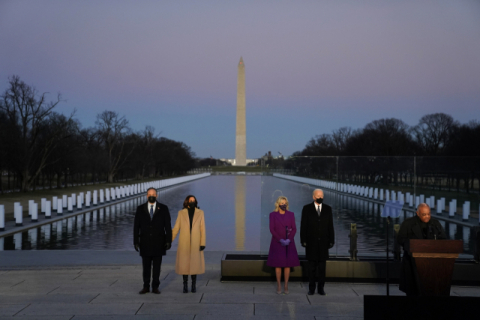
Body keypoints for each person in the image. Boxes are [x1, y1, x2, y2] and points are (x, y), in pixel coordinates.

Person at [397, 203, 447, 296]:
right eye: (424, 214)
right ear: (417, 213)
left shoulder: (435, 224)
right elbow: (400, 239)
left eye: (428, 214)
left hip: (432, 264)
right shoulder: (408, 223)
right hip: (412, 263)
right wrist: (411, 245)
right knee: (413, 291)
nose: (427, 216)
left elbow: (443, 239)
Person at [133, 187, 172, 294]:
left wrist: (168, 240)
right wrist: (136, 241)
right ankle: (146, 286)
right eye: (149, 194)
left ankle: (155, 286)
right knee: (146, 267)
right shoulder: (140, 208)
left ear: (157, 196)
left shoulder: (163, 208)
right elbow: (136, 227)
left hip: (159, 243)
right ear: (146, 196)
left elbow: (168, 226)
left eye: (153, 194)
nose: (151, 196)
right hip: (144, 242)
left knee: (156, 267)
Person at [300, 189, 335, 296]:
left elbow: (330, 226)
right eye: (318, 196)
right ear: (313, 197)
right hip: (311, 243)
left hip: (324, 244)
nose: (320, 197)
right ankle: (311, 288)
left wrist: (331, 240)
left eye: (322, 196)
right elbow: (303, 226)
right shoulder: (306, 208)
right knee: (311, 268)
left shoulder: (328, 209)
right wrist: (303, 240)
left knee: (322, 268)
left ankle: (321, 288)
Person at [172, 195, 206, 293]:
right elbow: (176, 228)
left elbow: (202, 229)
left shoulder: (200, 213)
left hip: (196, 242)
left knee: (194, 265)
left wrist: (202, 242)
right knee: (184, 265)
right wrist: (169, 240)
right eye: (190, 200)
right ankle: (185, 285)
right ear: (187, 202)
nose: (192, 202)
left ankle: (193, 285)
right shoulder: (181, 213)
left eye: (193, 200)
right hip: (184, 242)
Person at [266, 196, 300, 294]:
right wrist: (280, 239)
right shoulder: (272, 215)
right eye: (281, 203)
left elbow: (294, 229)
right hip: (277, 242)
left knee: (287, 265)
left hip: (289, 242)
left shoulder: (291, 214)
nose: (283, 205)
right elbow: (272, 229)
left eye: (285, 203)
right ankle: (279, 285)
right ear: (278, 204)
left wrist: (289, 239)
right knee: (278, 265)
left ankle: (286, 285)